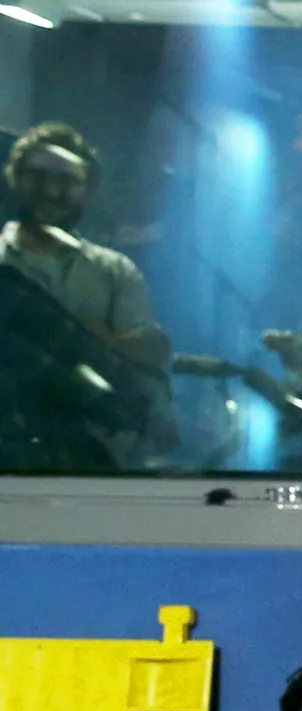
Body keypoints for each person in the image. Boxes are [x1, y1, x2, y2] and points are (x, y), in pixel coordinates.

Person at [0, 122, 173, 462]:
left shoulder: (114, 270)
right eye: (37, 175)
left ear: (89, 193)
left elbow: (155, 350)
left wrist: (88, 337)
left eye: (67, 180)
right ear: (14, 180)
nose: (51, 191)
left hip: (91, 463)